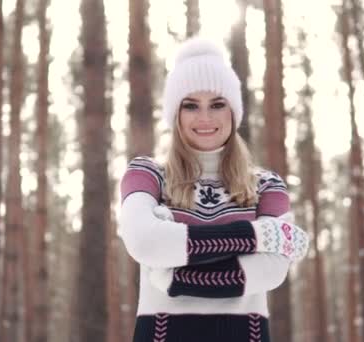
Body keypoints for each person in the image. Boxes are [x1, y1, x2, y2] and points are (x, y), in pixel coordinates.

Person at [118, 37, 309, 342]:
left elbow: (272, 270)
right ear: (175, 115)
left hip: (245, 334)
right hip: (162, 334)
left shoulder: (267, 185)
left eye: (217, 104)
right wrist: (258, 236)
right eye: (191, 105)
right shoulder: (147, 174)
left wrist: (173, 276)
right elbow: (144, 242)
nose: (205, 118)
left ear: (233, 112)